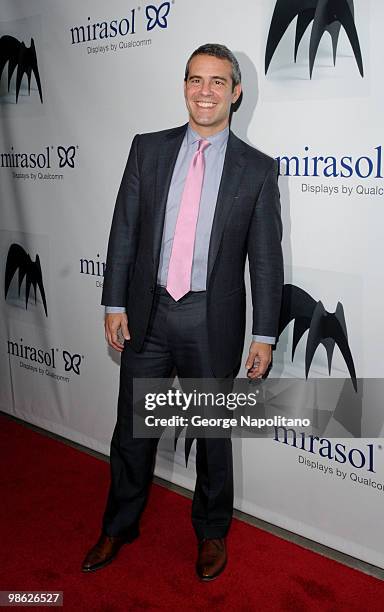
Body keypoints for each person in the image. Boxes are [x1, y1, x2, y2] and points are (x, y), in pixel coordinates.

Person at [82, 43, 283, 581]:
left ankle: (212, 532)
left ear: (236, 93)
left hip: (207, 321)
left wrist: (264, 335)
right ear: (185, 86)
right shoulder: (147, 150)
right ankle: (119, 525)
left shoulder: (257, 170)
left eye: (218, 81)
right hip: (146, 314)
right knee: (132, 430)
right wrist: (114, 300)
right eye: (196, 79)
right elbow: (123, 229)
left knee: (211, 436)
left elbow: (265, 262)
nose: (205, 91)